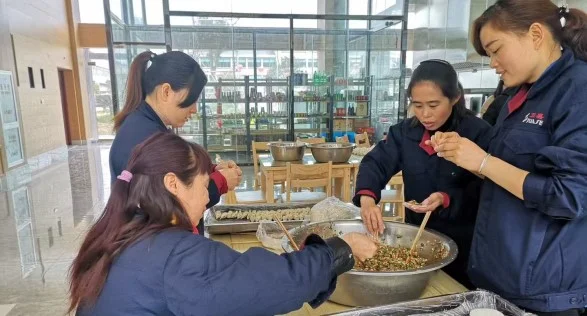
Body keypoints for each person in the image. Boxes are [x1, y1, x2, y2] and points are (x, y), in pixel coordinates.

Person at [70, 132, 378, 316]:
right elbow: (266, 283)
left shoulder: (124, 232)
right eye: (205, 186)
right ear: (173, 184)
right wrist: (340, 249)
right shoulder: (176, 255)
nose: (208, 197)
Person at [431, 1, 587, 315]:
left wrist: (483, 162)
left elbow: (570, 196)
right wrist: (465, 161)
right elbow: (508, 176)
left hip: (542, 291)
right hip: (498, 277)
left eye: (496, 49)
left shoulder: (577, 90)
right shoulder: (519, 97)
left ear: (536, 35)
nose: (493, 64)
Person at [353, 59, 491, 288]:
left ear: (455, 97)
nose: (425, 114)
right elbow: (376, 163)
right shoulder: (405, 132)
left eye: (434, 105)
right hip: (417, 237)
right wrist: (367, 200)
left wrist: (446, 197)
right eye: (417, 105)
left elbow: (487, 189)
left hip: (464, 241)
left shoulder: (478, 133)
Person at [109, 50, 242, 234]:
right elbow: (176, 202)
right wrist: (220, 182)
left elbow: (175, 172)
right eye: (192, 99)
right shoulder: (145, 136)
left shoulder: (145, 124)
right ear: (166, 91)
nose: (194, 109)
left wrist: (208, 171)